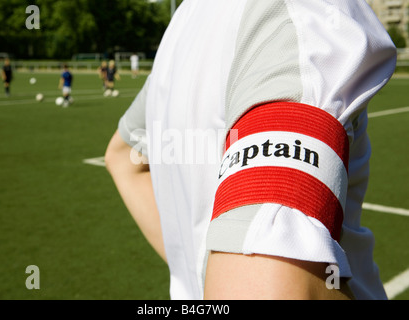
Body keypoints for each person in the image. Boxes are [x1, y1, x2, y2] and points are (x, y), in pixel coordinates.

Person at [105, 0, 396, 300]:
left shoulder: (185, 21)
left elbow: (123, 160)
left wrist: (207, 278)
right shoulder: (303, 12)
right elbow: (271, 288)